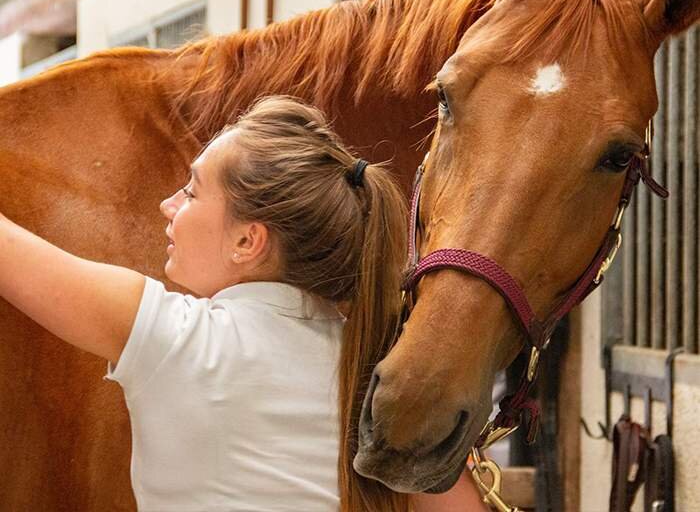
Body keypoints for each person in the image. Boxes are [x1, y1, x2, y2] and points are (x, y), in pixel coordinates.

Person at [0, 96, 488, 511]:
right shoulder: (373, 371)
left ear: (247, 241)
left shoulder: (174, 339)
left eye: (190, 191)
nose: (168, 205)